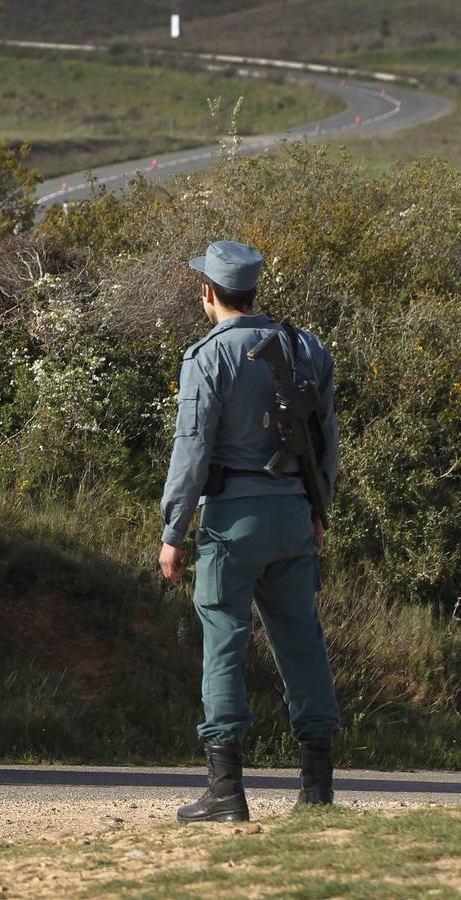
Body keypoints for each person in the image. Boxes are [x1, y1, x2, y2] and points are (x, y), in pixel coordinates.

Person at [158, 240, 341, 824]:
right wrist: (318, 508)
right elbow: (326, 441)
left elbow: (192, 451)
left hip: (232, 520)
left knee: (224, 642)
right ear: (253, 289)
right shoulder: (305, 346)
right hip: (293, 515)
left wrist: (172, 529)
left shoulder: (207, 357)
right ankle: (316, 787)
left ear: (208, 293)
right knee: (302, 641)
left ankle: (226, 791)